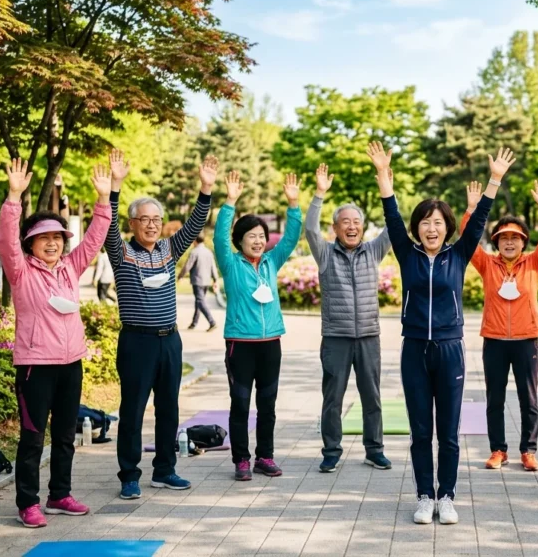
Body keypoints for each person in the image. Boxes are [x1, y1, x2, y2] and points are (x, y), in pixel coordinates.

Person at [377, 141, 512, 526]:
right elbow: (392, 216)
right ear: (418, 229)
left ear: (447, 227)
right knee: (421, 432)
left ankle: (447, 496)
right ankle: (424, 496)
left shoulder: (459, 253)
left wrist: (494, 181)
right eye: (425, 222)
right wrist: (384, 176)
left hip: (450, 348)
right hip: (414, 349)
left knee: (448, 433)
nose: (431, 228)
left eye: (438, 222)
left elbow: (482, 217)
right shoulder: (407, 253)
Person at [0, 158, 112, 528]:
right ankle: (27, 503)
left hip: (71, 363)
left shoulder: (71, 267)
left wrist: (103, 199)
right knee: (33, 438)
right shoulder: (20, 270)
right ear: (30, 244)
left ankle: (59, 495)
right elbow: (5, 241)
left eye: (57, 237)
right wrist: (14, 197)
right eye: (44, 238)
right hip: (34, 365)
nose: (52, 243)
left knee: (65, 435)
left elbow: (95, 238)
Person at [105, 148, 216, 500]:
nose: (151, 224)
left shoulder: (169, 249)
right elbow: (106, 226)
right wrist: (115, 187)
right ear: (133, 223)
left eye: (156, 218)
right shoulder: (122, 251)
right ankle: (129, 475)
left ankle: (165, 470)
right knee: (133, 410)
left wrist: (206, 190)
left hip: (170, 340)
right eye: (144, 219)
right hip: (137, 342)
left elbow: (195, 225)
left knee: (170, 407)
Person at [460, 179, 538, 472]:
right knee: (494, 400)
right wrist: (471, 210)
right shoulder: (487, 264)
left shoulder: (534, 263)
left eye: (514, 238)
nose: (509, 242)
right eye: (503, 238)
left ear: (523, 241)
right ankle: (498, 450)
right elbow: (468, 239)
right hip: (495, 341)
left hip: (527, 340)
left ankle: (529, 450)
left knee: (529, 399)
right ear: (497, 242)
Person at [215, 170, 303, 480]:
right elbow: (219, 237)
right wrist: (230, 202)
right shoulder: (230, 263)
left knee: (268, 404)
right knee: (240, 403)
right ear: (240, 240)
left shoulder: (271, 262)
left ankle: (265, 456)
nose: (258, 240)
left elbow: (291, 237)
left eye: (261, 236)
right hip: (240, 344)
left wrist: (293, 204)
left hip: (271, 344)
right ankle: (241, 459)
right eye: (251, 235)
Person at [307, 163, 392, 473]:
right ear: (336, 228)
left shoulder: (374, 251)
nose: (352, 226)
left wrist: (387, 190)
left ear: (362, 226)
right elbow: (309, 230)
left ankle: (375, 449)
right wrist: (319, 194)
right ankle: (331, 451)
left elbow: (394, 227)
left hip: (369, 336)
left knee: (372, 397)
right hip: (336, 338)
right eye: (345, 222)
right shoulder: (325, 253)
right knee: (333, 399)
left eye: (356, 221)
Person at [179, 234, 219, 332]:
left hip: (197, 281)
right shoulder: (209, 252)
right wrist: (215, 279)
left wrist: (180, 276)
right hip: (206, 281)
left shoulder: (194, 252)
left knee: (200, 301)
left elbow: (187, 266)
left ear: (195, 241)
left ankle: (212, 322)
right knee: (199, 301)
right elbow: (213, 266)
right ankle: (194, 323)